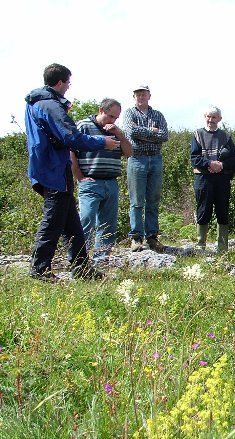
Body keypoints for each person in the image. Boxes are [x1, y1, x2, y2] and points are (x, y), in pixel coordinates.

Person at [25, 63, 120, 282]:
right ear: (59, 82)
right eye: (68, 83)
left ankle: (82, 268)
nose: (68, 87)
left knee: (71, 223)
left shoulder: (36, 103)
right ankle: (40, 269)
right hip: (53, 169)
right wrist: (102, 142)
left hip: (49, 167)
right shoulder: (50, 105)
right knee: (53, 219)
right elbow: (70, 137)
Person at [71, 98, 133, 260]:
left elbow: (129, 153)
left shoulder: (116, 131)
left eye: (116, 117)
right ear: (101, 111)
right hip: (90, 182)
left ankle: (101, 260)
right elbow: (71, 153)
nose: (113, 120)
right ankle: (79, 259)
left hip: (111, 181)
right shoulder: (83, 126)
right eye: (111, 116)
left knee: (107, 225)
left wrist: (119, 134)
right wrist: (80, 177)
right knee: (86, 220)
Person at [123, 85, 168, 252]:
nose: (141, 97)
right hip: (136, 158)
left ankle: (152, 236)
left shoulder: (158, 114)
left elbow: (164, 136)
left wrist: (144, 133)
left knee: (153, 200)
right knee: (136, 201)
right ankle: (136, 237)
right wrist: (152, 131)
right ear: (133, 96)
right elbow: (131, 132)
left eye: (143, 94)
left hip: (156, 158)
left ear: (149, 95)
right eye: (138, 94)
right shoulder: (129, 113)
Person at [190, 106, 235, 253]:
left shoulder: (226, 136)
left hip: (221, 179)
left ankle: (222, 248)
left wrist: (221, 165)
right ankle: (200, 246)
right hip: (203, 178)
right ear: (205, 117)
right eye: (208, 117)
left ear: (219, 119)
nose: (211, 120)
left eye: (214, 117)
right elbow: (194, 158)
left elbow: (234, 158)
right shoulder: (197, 134)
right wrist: (210, 164)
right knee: (203, 210)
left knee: (222, 211)